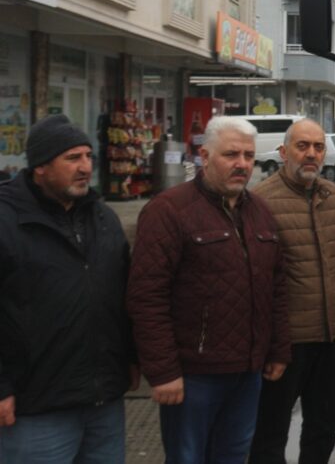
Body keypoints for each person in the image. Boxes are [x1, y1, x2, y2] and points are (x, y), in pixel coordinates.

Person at [128, 115, 290, 463]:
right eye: (231, 155)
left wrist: (277, 350)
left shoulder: (260, 212)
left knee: (233, 455)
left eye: (248, 155)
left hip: (248, 372)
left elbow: (275, 288)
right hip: (193, 375)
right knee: (188, 457)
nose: (242, 164)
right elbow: (146, 297)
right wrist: (164, 372)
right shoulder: (169, 210)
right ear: (204, 156)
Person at [0, 115, 137, 462]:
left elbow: (124, 296)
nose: (85, 167)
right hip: (36, 408)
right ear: (40, 167)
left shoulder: (103, 218)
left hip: (103, 402)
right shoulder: (6, 221)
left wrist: (132, 358)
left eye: (88, 156)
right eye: (72, 158)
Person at [249, 119, 335, 464]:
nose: (311, 154)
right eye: (302, 146)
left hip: (330, 339)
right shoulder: (259, 201)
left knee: (324, 427)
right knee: (270, 432)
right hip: (285, 343)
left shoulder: (333, 198)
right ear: (283, 152)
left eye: (318, 147)